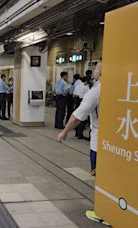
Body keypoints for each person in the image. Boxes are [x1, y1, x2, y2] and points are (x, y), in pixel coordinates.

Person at [57, 63, 107, 225]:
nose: (94, 72)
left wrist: (64, 132)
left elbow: (78, 116)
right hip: (119, 142)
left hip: (99, 143)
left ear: (99, 73)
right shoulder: (123, 87)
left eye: (96, 69)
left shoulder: (97, 91)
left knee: (101, 178)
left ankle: (103, 212)